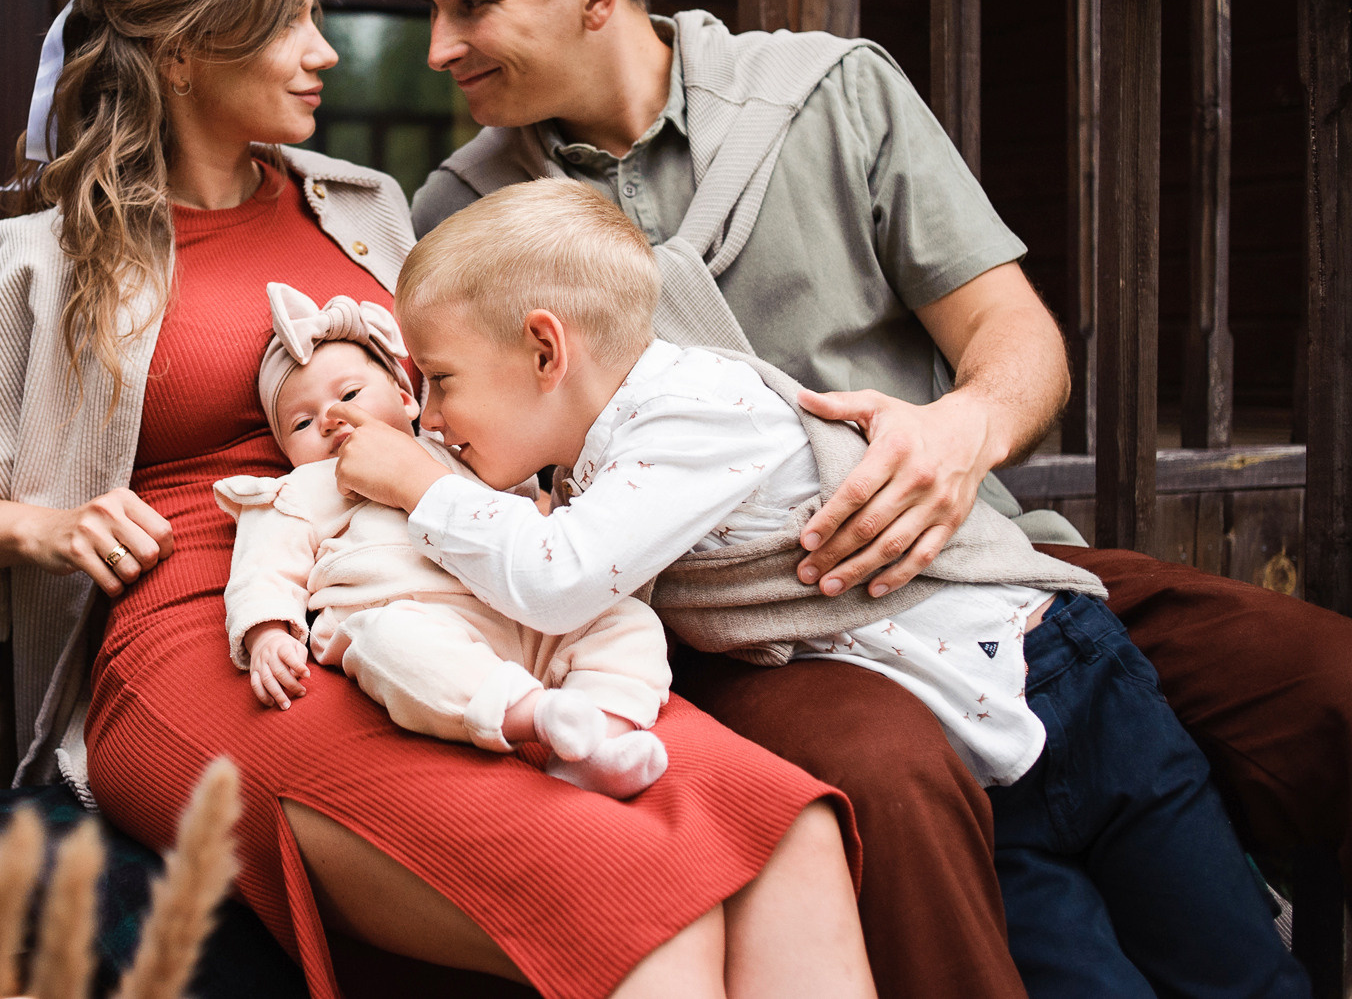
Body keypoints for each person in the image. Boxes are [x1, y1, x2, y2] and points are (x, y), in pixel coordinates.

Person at [0, 0, 877, 998]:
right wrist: (42, 526)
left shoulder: (365, 205)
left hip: (449, 587)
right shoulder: (52, 262)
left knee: (787, 828)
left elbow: (523, 381)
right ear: (182, 53)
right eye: (288, 22)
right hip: (226, 639)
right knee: (628, 887)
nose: (324, 50)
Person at [406, 0, 1352, 998]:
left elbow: (1014, 337)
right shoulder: (460, 217)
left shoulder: (827, 93)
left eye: (469, 6)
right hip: (751, 632)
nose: (437, 46)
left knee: (1320, 679)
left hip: (973, 564)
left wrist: (957, 434)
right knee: (891, 768)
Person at [337, 178, 1305, 999]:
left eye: (440, 380)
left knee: (1232, 970)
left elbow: (559, 578)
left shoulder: (692, 413)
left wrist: (419, 485)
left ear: (546, 351)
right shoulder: (591, 444)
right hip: (980, 767)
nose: (429, 418)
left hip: (1070, 688)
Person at [221, 282, 673, 797]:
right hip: (415, 618)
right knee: (387, 645)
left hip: (520, 612)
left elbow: (526, 510)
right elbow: (262, 567)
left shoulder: (462, 450)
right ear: (286, 452)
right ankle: (538, 716)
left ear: (405, 398)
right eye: (302, 422)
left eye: (349, 395)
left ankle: (603, 737)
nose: (330, 419)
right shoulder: (301, 488)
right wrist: (267, 634)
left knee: (626, 618)